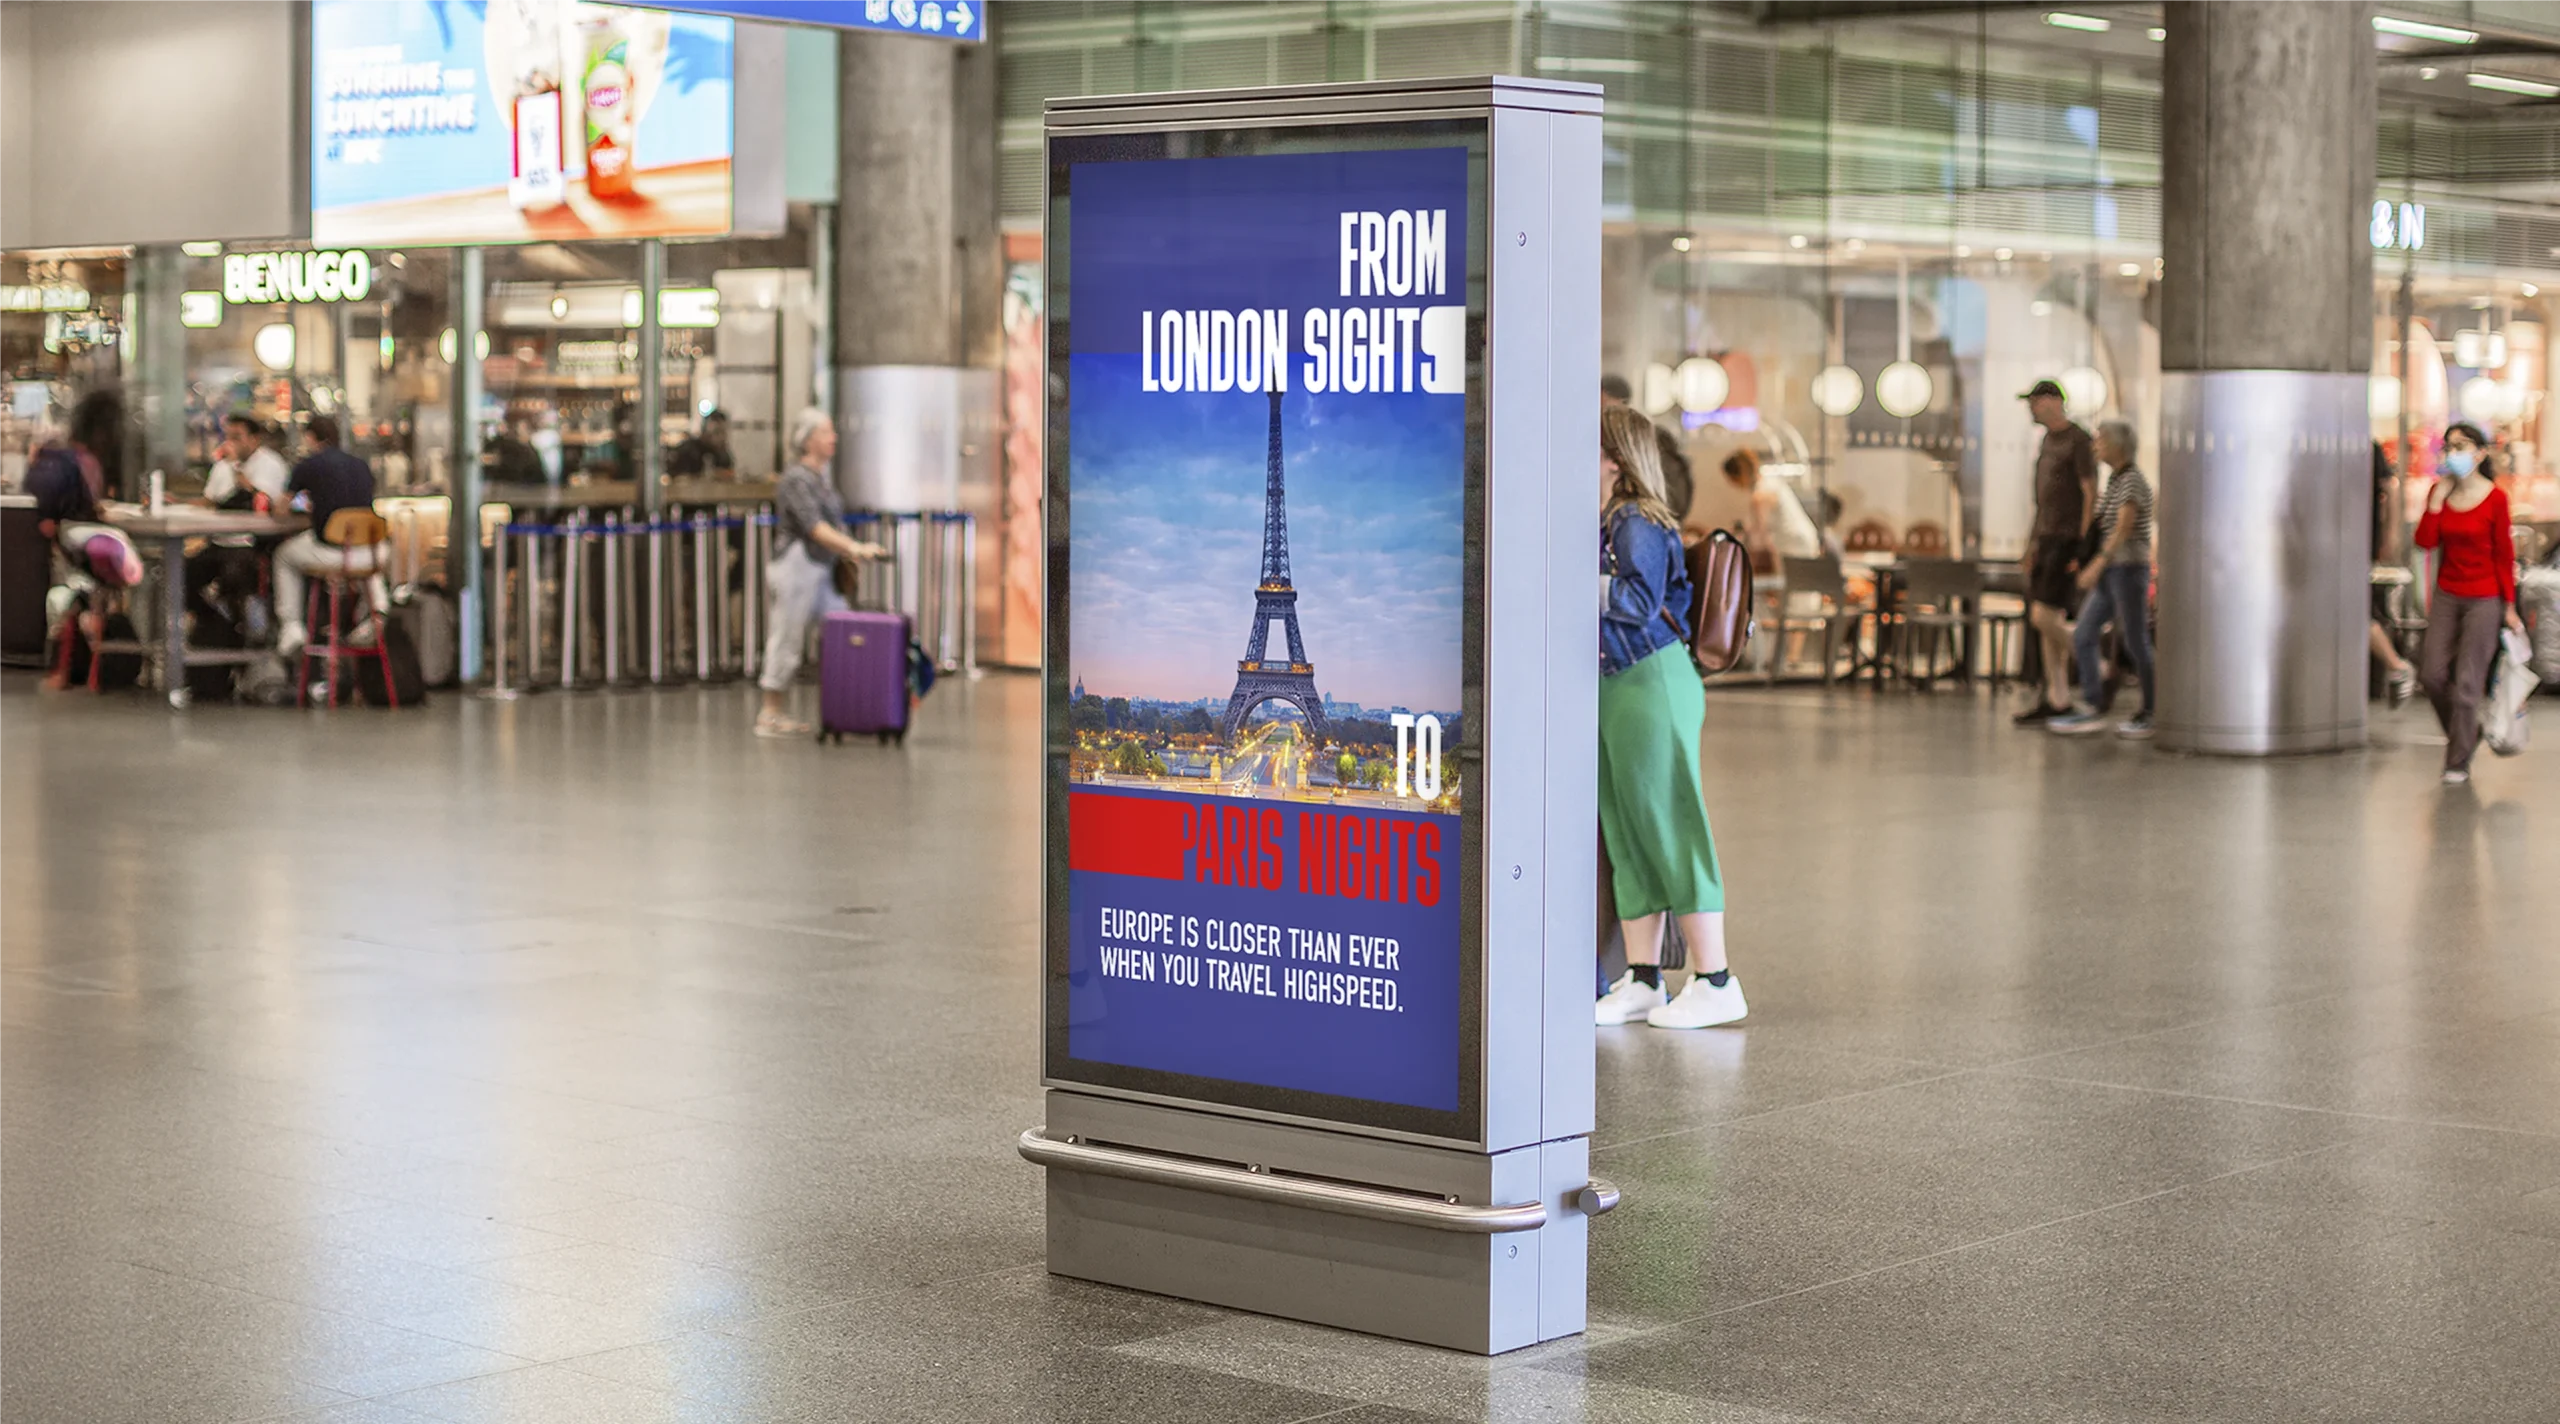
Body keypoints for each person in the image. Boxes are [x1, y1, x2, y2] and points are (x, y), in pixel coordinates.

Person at [1591, 405, 1746, 1031]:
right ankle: (1644, 977)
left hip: (1649, 680)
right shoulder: (1611, 517)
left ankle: (1716, 980)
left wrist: (1569, 578)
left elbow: (1638, 600)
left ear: (1614, 459)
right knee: (1628, 829)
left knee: (1673, 823)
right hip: (1620, 685)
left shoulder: (1636, 519)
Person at [755, 408, 884, 738]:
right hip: (797, 567)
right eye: (826, 432)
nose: (833, 438)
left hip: (821, 568)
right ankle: (770, 712)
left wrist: (847, 552)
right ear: (808, 439)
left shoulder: (820, 479)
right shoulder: (796, 480)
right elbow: (814, 526)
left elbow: (831, 524)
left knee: (843, 632)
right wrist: (853, 547)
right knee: (787, 636)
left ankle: (847, 706)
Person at [2415, 421, 2524, 785]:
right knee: (2431, 674)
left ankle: (2457, 760)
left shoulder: (2495, 498)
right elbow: (2425, 542)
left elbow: (2504, 555)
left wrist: (2509, 606)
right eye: (2448, 447)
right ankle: (2467, 732)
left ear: (2480, 454)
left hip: (2485, 598)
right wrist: (2435, 503)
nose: (2452, 453)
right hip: (2448, 594)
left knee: (2467, 683)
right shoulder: (2440, 492)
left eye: (2460, 446)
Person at [2049, 420, 2155, 739]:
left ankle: (2152, 710)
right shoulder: (2116, 480)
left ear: (2117, 445)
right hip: (2113, 572)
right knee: (2084, 633)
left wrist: (2096, 564)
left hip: (2128, 570)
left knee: (2135, 640)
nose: (2095, 446)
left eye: (2101, 440)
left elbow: (2123, 529)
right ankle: (2094, 704)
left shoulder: (2132, 481)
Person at [2014, 379, 2098, 725]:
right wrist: (2031, 543)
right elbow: (2043, 500)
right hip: (2047, 538)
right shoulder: (2048, 441)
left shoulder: (2078, 440)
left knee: (2043, 617)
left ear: (2051, 401)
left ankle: (2093, 660)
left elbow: (2090, 492)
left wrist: (2084, 543)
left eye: (2034, 402)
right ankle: (2057, 696)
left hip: (2066, 539)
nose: (2031, 410)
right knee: (2047, 620)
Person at [273, 416, 388, 658]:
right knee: (363, 560)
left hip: (334, 553)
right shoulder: (361, 464)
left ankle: (292, 628)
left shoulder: (308, 465)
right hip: (372, 551)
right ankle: (377, 612)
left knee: (283, 556)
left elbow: (281, 509)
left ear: (311, 437)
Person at [2369, 441, 2417, 708]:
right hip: (2335, 542)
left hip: (2359, 543)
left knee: (2357, 612)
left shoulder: (2365, 445)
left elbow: (2390, 486)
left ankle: (2396, 665)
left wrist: (2390, 535)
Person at [1722, 447, 1822, 566]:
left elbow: (1760, 536)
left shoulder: (1761, 495)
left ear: (1737, 478)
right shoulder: (1769, 482)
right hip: (1803, 540)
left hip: (1794, 545)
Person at [203, 413, 289, 510]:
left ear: (254, 439)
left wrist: (235, 466)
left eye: (236, 437)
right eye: (228, 437)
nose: (230, 442)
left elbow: (261, 502)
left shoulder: (271, 464)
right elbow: (209, 501)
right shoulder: (222, 464)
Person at [668, 410, 735, 479]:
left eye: (724, 432)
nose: (722, 437)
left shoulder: (722, 455)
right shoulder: (688, 450)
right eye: (717, 432)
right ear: (704, 432)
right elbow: (678, 478)